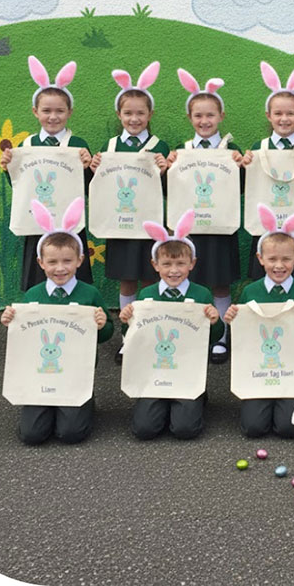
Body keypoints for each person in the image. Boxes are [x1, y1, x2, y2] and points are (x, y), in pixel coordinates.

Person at [0, 198, 112, 445]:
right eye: (52, 262)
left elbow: (106, 335)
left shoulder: (89, 294)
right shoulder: (33, 295)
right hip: (39, 374)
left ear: (79, 261)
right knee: (32, 435)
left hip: (75, 373)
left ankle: (86, 402)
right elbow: (25, 337)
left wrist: (103, 325)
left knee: (71, 433)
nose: (60, 268)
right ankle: (44, 406)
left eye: (67, 261)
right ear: (41, 263)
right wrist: (11, 321)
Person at [89, 63, 169, 364]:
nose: (134, 118)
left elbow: (171, 187)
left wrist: (166, 170)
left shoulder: (159, 147)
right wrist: (94, 167)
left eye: (140, 113)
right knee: (126, 281)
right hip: (120, 227)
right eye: (128, 113)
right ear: (119, 115)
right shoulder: (109, 147)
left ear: (150, 115)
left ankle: (149, 333)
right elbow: (98, 185)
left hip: (150, 227)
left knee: (151, 279)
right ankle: (128, 335)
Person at [118, 212, 222, 440]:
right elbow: (136, 337)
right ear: (155, 265)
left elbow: (213, 336)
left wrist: (215, 321)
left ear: (192, 264)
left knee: (185, 430)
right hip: (153, 371)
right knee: (145, 430)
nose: (174, 270)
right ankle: (157, 401)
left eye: (180, 263)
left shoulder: (201, 293)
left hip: (186, 370)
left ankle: (198, 397)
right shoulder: (147, 295)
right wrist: (127, 321)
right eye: (167, 264)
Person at [167, 68, 245, 364]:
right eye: (198, 116)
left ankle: (220, 337)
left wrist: (243, 165)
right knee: (188, 280)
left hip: (221, 227)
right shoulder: (181, 152)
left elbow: (246, 188)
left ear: (221, 116)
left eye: (210, 115)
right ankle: (190, 335)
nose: (204, 121)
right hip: (189, 230)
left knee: (220, 282)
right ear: (189, 119)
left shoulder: (233, 151)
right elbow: (167, 189)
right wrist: (168, 167)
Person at [223, 207, 294, 438]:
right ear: (260, 259)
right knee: (254, 428)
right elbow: (244, 335)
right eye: (272, 259)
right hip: (258, 370)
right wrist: (230, 321)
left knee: (288, 429)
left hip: (291, 369)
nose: (279, 265)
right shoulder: (250, 291)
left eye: (286, 259)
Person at [0, 56, 92, 290]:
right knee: (37, 270)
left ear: (70, 112)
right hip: (36, 222)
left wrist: (88, 167)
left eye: (60, 110)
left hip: (70, 221)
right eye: (47, 110)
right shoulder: (26, 145)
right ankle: (37, 307)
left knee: (72, 268)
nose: (53, 116)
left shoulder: (78, 144)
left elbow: (89, 186)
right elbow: (19, 185)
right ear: (35, 111)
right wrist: (7, 167)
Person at [241, 61, 294, 281]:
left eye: (290, 113)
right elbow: (247, 185)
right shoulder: (259, 148)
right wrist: (245, 165)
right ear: (268, 115)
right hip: (266, 228)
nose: (284, 119)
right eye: (278, 113)